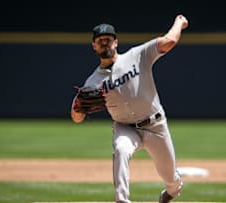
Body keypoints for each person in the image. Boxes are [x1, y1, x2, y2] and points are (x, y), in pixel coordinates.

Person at [71, 14, 189, 203]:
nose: (104, 43)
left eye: (108, 40)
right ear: (94, 46)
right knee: (121, 149)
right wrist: (77, 108)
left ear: (116, 42)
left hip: (155, 124)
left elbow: (170, 40)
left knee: (169, 177)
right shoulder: (92, 82)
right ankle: (122, 200)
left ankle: (173, 190)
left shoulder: (137, 55)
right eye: (100, 41)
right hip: (125, 127)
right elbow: (76, 118)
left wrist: (179, 22)